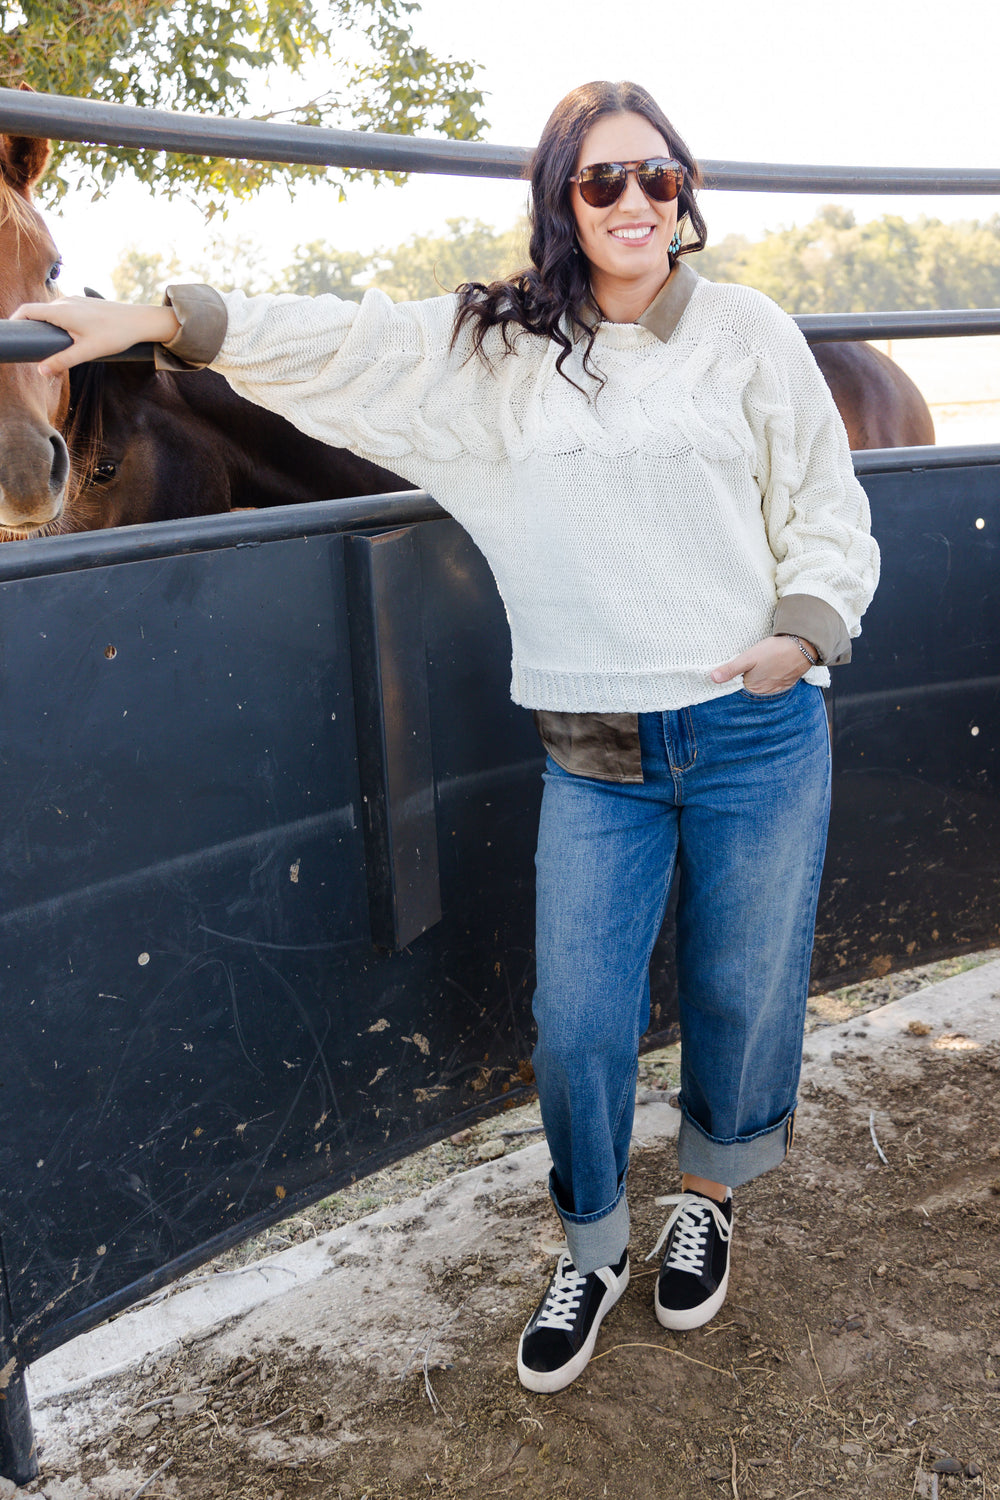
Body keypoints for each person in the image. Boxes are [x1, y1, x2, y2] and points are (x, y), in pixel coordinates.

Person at [17, 79, 879, 1397]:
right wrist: (152, 317)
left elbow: (827, 506)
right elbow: (341, 341)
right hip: (596, 747)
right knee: (581, 1021)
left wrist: (803, 635)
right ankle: (589, 1246)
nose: (636, 201)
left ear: (685, 191)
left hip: (757, 729)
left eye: (659, 176)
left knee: (744, 988)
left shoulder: (752, 334)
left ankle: (707, 1197)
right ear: (562, 202)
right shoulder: (495, 349)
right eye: (604, 181)